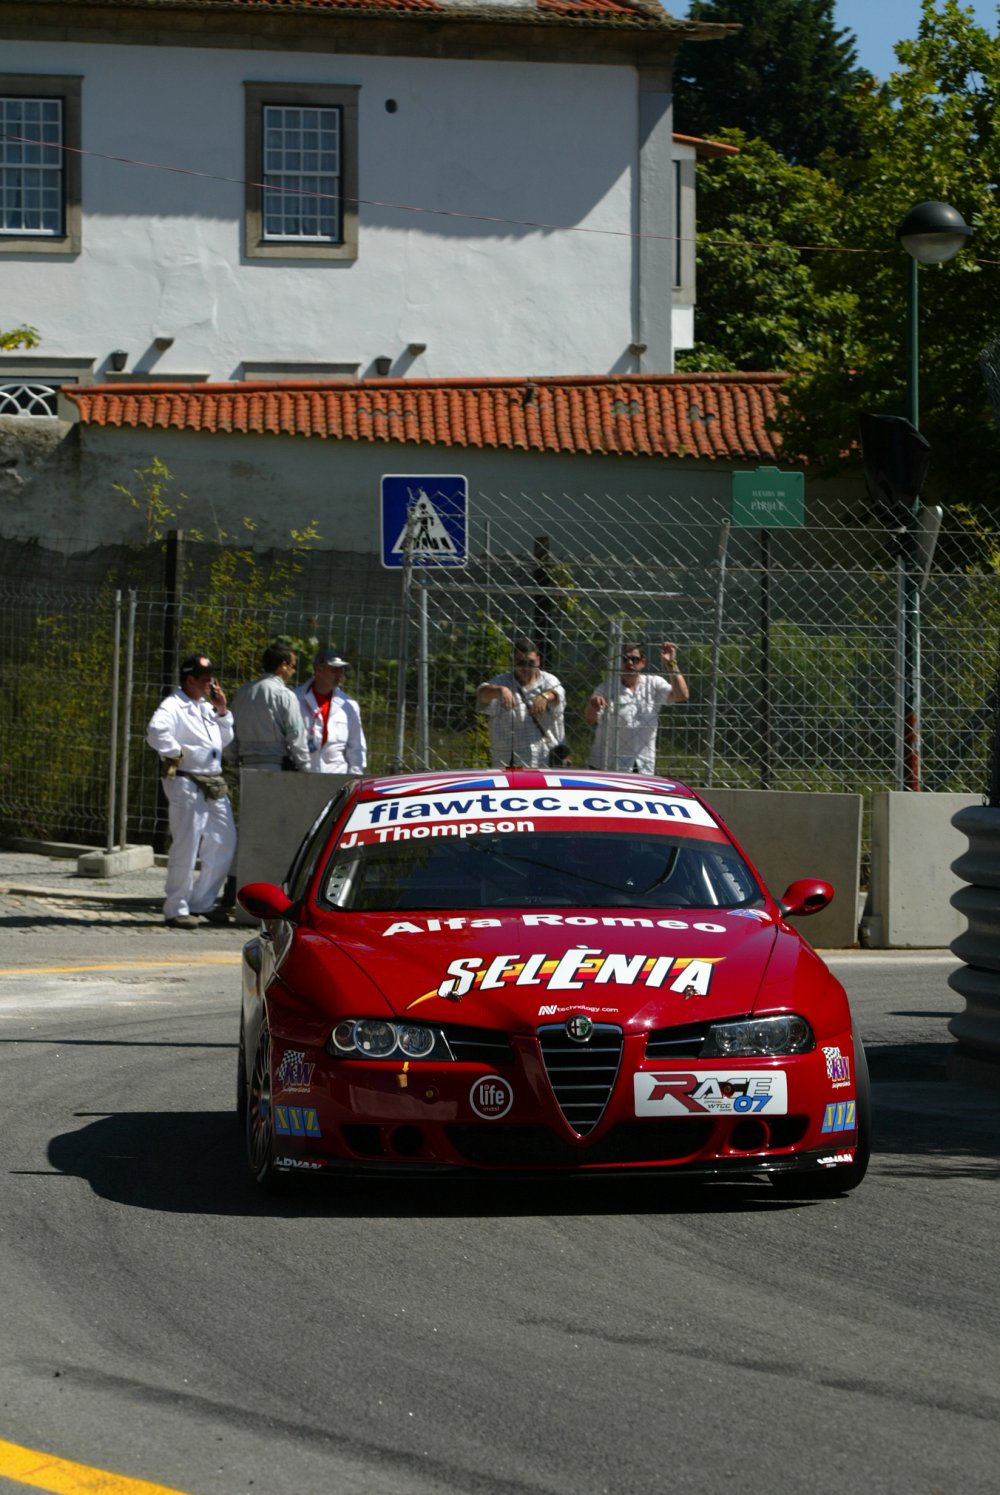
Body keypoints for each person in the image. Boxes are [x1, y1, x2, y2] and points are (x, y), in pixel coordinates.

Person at [146, 652, 238, 929]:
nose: (211, 684)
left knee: (224, 840)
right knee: (187, 845)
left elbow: (223, 741)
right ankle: (176, 906)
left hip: (212, 779)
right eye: (205, 679)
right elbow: (155, 731)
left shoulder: (204, 705)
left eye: (212, 679)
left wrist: (222, 711)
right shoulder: (174, 705)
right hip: (186, 781)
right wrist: (176, 753)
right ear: (189, 680)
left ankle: (202, 901)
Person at [586, 640, 689, 773]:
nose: (629, 663)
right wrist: (593, 706)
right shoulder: (607, 687)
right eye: (624, 659)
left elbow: (681, 695)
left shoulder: (653, 684)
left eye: (634, 659)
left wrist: (671, 664)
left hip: (642, 764)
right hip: (607, 764)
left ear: (642, 662)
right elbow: (590, 719)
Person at [476, 636, 566, 769]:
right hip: (508, 761)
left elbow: (558, 693)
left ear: (538, 661)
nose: (526, 668)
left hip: (543, 759)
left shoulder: (548, 680)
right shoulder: (502, 682)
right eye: (520, 663)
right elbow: (481, 694)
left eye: (530, 663)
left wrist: (546, 696)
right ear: (513, 661)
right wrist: (500, 690)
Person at [229, 642, 310, 772]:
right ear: (283, 666)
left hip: (245, 768)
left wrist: (232, 760)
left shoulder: (242, 693)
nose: (294, 671)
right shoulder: (285, 695)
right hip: (275, 767)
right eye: (293, 666)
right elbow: (296, 734)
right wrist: (305, 766)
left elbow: (230, 732)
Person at [296, 648, 367, 775]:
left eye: (341, 670)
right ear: (318, 670)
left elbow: (356, 748)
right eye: (334, 670)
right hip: (302, 776)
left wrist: (354, 779)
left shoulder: (349, 706)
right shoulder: (295, 699)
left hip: (336, 777)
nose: (340, 675)